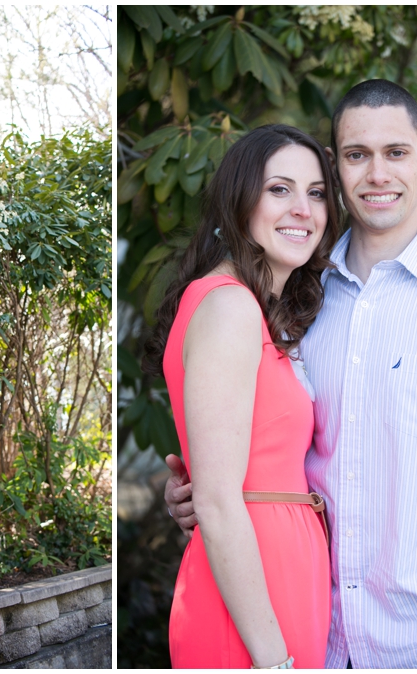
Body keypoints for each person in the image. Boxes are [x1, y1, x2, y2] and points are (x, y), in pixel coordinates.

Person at [164, 79, 417, 669]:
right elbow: (268, 453)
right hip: (316, 638)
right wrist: (205, 495)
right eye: (356, 155)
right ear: (339, 170)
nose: (377, 174)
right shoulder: (294, 304)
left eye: (395, 153)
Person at [143, 124, 342, 668]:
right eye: (280, 189)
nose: (303, 208)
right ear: (241, 201)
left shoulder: (262, 314)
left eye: (317, 193)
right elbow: (215, 496)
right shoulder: (229, 307)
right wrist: (272, 659)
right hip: (252, 606)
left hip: (281, 581)